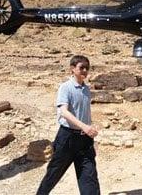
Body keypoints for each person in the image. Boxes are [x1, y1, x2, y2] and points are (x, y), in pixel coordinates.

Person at [36, 55, 100, 195]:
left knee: (89, 177)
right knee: (53, 174)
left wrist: (90, 126)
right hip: (67, 138)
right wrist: (84, 126)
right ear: (72, 69)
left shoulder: (86, 89)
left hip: (85, 140)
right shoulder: (65, 87)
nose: (84, 71)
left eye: (86, 68)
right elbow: (63, 112)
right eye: (81, 67)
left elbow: (83, 112)